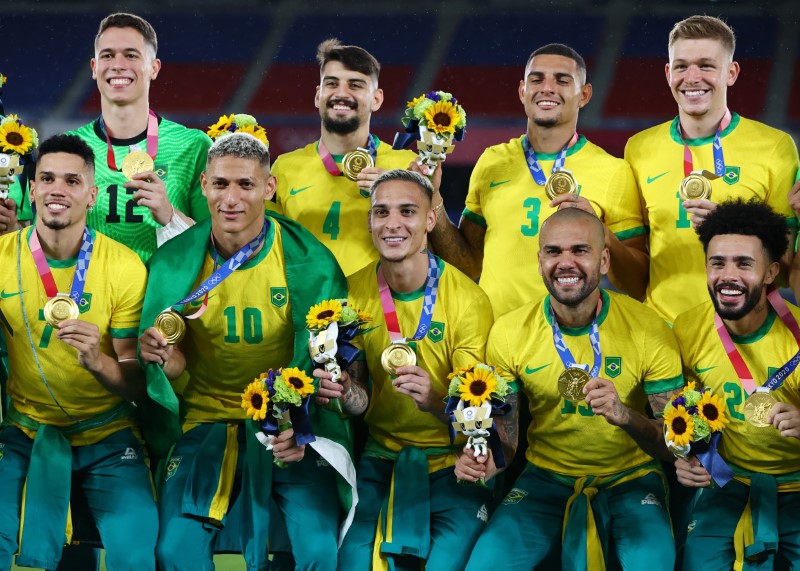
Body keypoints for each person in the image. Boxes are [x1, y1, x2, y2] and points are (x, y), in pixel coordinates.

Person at [138, 133, 354, 571]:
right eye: (220, 184)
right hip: (206, 420)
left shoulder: (311, 262)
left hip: (291, 426)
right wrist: (166, 362)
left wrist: (299, 424)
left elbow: (326, 363)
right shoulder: (173, 263)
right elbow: (173, 371)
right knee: (173, 551)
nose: (231, 199)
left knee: (318, 550)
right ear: (203, 185)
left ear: (269, 188)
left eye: (246, 185)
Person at [315, 169, 517, 570]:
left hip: (453, 460)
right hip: (380, 458)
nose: (392, 223)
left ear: (430, 219)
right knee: (353, 563)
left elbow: (483, 413)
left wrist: (436, 400)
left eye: (407, 211)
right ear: (369, 221)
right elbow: (358, 399)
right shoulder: (349, 294)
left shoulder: (469, 300)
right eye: (381, 212)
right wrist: (345, 392)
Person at [465, 207, 683, 570]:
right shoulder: (509, 332)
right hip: (544, 479)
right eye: (554, 251)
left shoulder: (648, 328)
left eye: (580, 250)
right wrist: (488, 460)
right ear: (539, 261)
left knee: (653, 563)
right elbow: (507, 439)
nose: (565, 262)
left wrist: (626, 416)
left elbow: (675, 444)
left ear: (604, 260)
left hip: (631, 479)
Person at [0, 134, 156, 570]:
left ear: (91, 195)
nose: (57, 190)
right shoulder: (1, 259)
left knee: (136, 555)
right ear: (31, 189)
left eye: (72, 181)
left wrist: (97, 361)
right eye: (47, 179)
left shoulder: (123, 266)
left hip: (108, 436)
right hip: (24, 433)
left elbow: (135, 383)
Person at [426, 43, 647, 318]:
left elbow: (637, 284)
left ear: (584, 95)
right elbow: (467, 266)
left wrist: (600, 231)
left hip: (572, 336)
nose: (547, 88)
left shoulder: (613, 171)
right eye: (537, 79)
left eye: (562, 80)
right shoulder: (492, 162)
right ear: (522, 91)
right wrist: (433, 196)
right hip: (496, 334)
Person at [625, 15, 800, 324]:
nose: (692, 77)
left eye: (706, 66)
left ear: (731, 73)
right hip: (664, 329)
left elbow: (783, 270)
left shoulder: (775, 147)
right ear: (668, 73)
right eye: (681, 66)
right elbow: (634, 265)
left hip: (740, 331)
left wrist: (731, 230)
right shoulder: (638, 148)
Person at [673, 199, 800, 570]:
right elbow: (682, 413)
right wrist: (687, 457)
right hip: (728, 482)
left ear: (771, 271)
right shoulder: (687, 329)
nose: (728, 275)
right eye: (717, 263)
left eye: (744, 263)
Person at [67, 12, 212, 262]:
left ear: (154, 68)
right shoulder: (69, 149)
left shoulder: (193, 146)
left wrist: (170, 216)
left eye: (131, 55)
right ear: (94, 67)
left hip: (167, 287)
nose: (118, 64)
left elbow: (217, 241)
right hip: (91, 286)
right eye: (107, 55)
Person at [270, 39, 417, 276]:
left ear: (376, 99)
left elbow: (429, 252)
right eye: (331, 83)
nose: (341, 93)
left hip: (378, 298)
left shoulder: (406, 165)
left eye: (355, 85)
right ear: (318, 95)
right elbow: (268, 250)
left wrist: (398, 195)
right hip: (307, 299)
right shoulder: (284, 168)